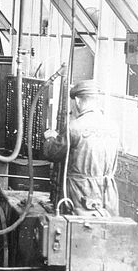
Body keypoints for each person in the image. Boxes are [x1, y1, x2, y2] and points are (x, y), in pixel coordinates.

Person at [42, 79, 120, 216]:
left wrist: (50, 138)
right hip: (107, 196)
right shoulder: (113, 127)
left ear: (78, 101)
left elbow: (52, 154)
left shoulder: (75, 127)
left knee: (77, 232)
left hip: (79, 194)